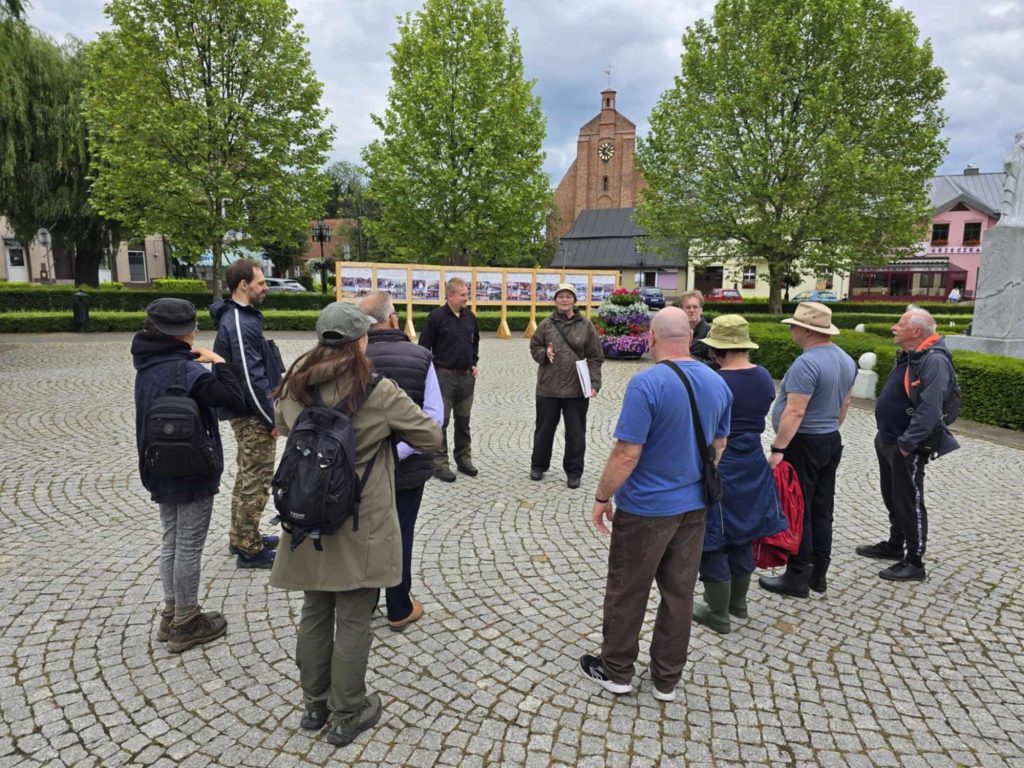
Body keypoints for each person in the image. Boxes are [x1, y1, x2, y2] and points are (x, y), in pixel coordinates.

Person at [269, 302, 442, 747]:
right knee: (353, 617)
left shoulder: (295, 383)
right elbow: (431, 435)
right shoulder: (376, 390)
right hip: (360, 517)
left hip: (309, 515)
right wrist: (383, 433)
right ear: (361, 341)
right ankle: (348, 712)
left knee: (314, 609)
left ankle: (314, 706)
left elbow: (284, 427)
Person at [579, 307, 732, 702]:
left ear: (650, 337)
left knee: (628, 590)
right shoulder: (717, 382)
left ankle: (617, 671)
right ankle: (667, 679)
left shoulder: (646, 383)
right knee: (679, 593)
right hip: (694, 505)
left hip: (646, 508)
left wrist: (602, 496)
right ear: (691, 335)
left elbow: (627, 453)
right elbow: (719, 445)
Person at [132, 298, 246, 652]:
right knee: (189, 546)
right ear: (184, 332)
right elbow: (235, 399)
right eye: (194, 327)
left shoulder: (146, 366)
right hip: (193, 468)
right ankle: (186, 620)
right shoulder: (189, 372)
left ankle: (170, 613)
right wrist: (220, 362)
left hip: (157, 464)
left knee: (171, 540)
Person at [692, 315, 786, 634]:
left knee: (715, 537)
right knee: (744, 532)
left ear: (716, 349)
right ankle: (738, 603)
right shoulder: (763, 376)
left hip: (723, 461)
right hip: (753, 460)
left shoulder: (714, 381)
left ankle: (717, 612)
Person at [358, 291, 444, 630]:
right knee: (401, 534)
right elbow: (434, 418)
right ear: (393, 319)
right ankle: (398, 607)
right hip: (406, 467)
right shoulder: (421, 356)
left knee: (362, 532)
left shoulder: (350, 357)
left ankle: (361, 604)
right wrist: (398, 452)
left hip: (360, 467)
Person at [759, 302, 856, 599]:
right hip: (829, 438)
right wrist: (829, 430)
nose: (792, 330)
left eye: (794, 326)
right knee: (822, 508)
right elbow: (845, 405)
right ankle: (818, 573)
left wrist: (778, 448)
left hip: (803, 442)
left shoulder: (807, 363)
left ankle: (797, 575)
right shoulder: (846, 359)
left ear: (807, 330)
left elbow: (795, 411)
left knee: (799, 508)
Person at [855, 306, 959, 581]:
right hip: (888, 438)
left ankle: (914, 561)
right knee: (892, 496)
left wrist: (906, 444)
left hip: (906, 445)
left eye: (900, 324)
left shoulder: (934, 360)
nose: (894, 327)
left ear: (916, 331)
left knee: (909, 500)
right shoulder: (911, 354)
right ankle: (895, 544)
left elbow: (929, 408)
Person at [210, 258, 282, 569]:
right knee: (257, 478)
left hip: (247, 410)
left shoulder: (240, 317)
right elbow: (250, 377)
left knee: (246, 475)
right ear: (243, 285)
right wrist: (271, 418)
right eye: (261, 283)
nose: (266, 288)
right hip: (252, 413)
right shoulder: (239, 321)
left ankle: (242, 535)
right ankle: (249, 550)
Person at [528, 282, 604, 488]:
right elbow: (534, 346)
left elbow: (595, 357)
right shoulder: (546, 325)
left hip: (576, 389)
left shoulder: (586, 325)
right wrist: (544, 354)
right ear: (555, 300)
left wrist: (594, 383)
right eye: (560, 296)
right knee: (544, 430)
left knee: (576, 433)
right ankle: (538, 465)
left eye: (568, 296)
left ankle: (574, 471)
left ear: (574, 300)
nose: (564, 300)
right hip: (548, 388)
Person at [418, 277, 480, 482]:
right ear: (450, 296)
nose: (466, 298)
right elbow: (424, 347)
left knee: (463, 422)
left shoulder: (470, 317)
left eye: (466, 294)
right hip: (443, 377)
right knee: (441, 422)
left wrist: (473, 362)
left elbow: (475, 341)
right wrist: (428, 374)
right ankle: (440, 463)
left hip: (466, 378)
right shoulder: (436, 317)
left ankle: (463, 459)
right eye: (463, 295)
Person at [680, 290, 712, 364]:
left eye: (695, 307)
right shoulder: (676, 331)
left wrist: (688, 358)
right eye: (688, 307)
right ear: (681, 310)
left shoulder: (710, 333)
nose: (691, 310)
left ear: (701, 310)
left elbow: (715, 364)